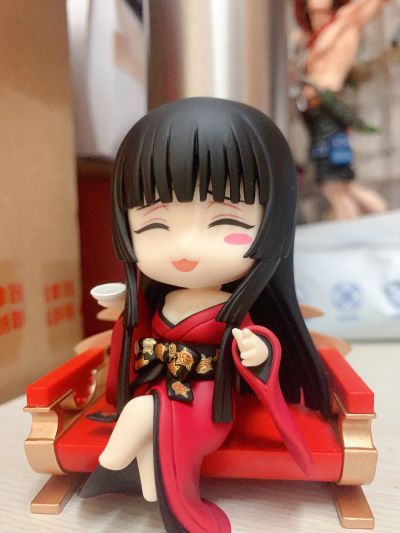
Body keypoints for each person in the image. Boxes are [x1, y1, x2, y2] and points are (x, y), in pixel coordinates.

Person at [80, 98, 330, 532]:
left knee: (140, 415)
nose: (185, 248)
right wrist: (126, 313)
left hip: (205, 404)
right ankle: (151, 488)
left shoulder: (232, 310)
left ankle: (112, 467)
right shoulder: (158, 301)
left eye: (223, 223)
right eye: (154, 226)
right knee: (146, 419)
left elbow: (262, 345)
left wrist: (257, 352)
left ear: (271, 223)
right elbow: (138, 338)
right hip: (163, 390)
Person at [294, 0, 390, 219]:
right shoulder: (314, 36)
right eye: (311, 12)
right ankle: (384, 220)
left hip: (328, 111)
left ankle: (372, 223)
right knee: (341, 182)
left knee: (334, 184)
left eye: (321, 10)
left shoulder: (346, 22)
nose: (317, 15)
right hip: (316, 113)